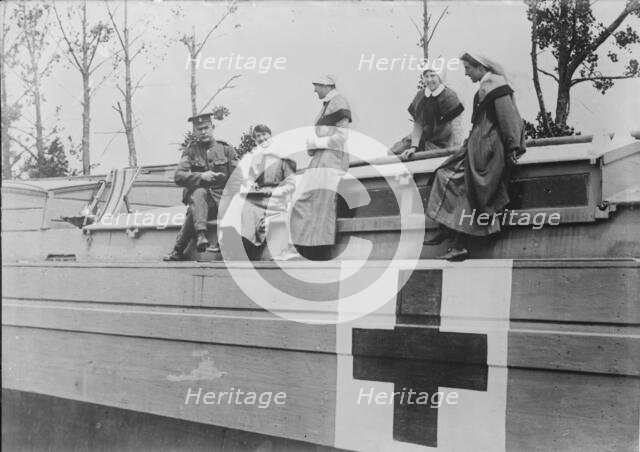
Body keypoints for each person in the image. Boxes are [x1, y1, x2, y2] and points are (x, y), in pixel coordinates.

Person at [424, 52, 526, 261]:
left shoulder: (495, 86)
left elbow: (509, 118)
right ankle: (447, 226)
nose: (466, 73)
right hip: (477, 145)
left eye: (468, 69)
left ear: (480, 67)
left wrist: (513, 147)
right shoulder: (487, 85)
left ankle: (457, 243)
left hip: (488, 149)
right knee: (444, 174)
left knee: (465, 189)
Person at [278, 75, 352, 260]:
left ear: (326, 86)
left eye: (316, 86)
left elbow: (342, 136)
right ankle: (299, 248)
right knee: (303, 200)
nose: (314, 90)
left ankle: (303, 250)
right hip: (322, 159)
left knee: (314, 201)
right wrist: (314, 146)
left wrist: (317, 143)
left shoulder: (339, 101)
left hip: (332, 160)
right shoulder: (328, 103)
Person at [163, 113, 238, 261]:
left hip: (223, 200)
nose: (203, 132)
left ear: (212, 127)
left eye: (206, 128)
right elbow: (178, 176)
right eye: (199, 129)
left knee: (194, 210)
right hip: (202, 202)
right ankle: (201, 235)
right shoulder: (190, 151)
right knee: (198, 193)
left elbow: (238, 177)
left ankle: (179, 249)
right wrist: (201, 177)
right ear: (195, 132)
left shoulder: (226, 149)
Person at [218, 124, 296, 258]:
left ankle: (243, 245)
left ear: (271, 136)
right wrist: (250, 185)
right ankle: (229, 238)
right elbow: (250, 181)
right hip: (258, 198)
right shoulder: (256, 159)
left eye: (265, 134)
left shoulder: (283, 158)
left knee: (246, 209)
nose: (262, 138)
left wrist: (276, 192)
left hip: (276, 200)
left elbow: (291, 185)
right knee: (239, 201)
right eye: (258, 136)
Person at [391, 69, 464, 160]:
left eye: (433, 76)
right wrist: (414, 147)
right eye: (426, 76)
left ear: (439, 77)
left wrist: (456, 151)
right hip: (424, 136)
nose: (429, 80)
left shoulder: (449, 96)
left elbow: (456, 127)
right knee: (394, 152)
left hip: (442, 140)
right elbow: (418, 123)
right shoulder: (421, 95)